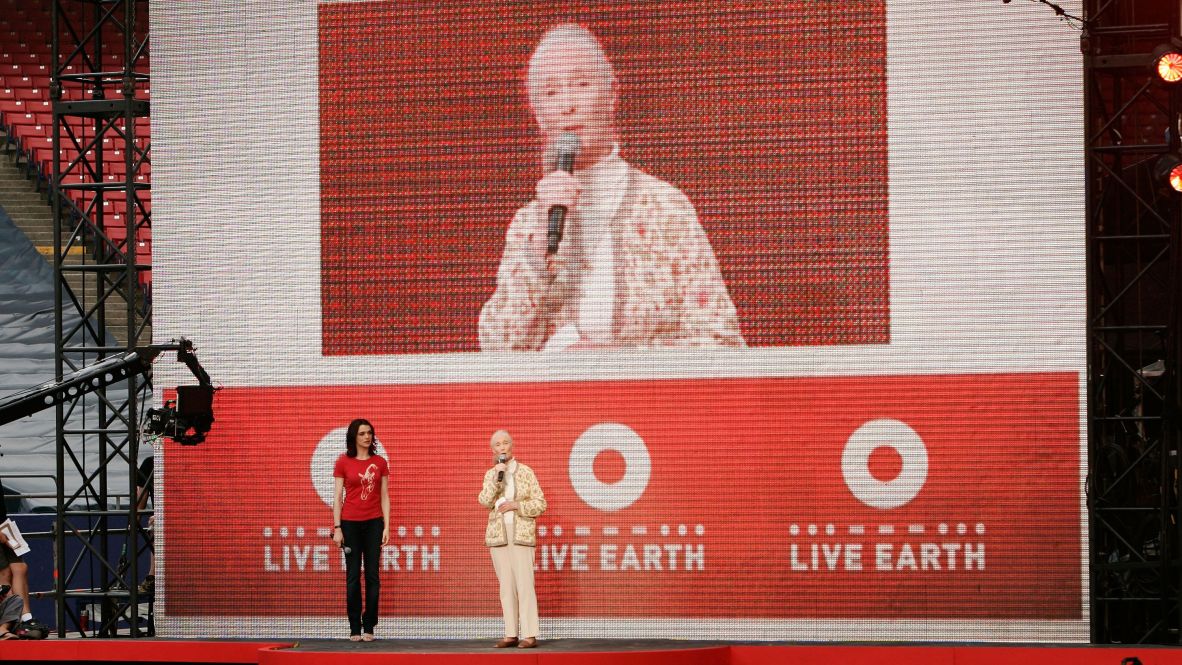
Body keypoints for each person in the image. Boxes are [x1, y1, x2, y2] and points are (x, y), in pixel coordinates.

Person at [478, 23, 746, 352]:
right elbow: (496, 346)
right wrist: (537, 252)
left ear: (612, 93)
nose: (567, 105)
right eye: (550, 92)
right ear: (537, 113)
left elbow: (722, 341)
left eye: (581, 84)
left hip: (649, 402)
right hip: (555, 402)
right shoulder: (529, 225)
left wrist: (615, 362)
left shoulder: (665, 208)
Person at [477, 430, 547, 648]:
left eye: (505, 442)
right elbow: (484, 500)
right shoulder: (491, 474)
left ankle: (529, 634)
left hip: (521, 534)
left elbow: (541, 503)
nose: (502, 447)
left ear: (512, 445)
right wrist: (498, 478)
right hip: (498, 536)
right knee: (506, 585)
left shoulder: (525, 472)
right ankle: (510, 633)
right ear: (493, 450)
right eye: (497, 444)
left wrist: (518, 505)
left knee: (525, 584)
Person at [331, 418, 390, 642]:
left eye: (370, 433)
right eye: (362, 433)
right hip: (350, 524)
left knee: (373, 577)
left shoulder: (380, 462)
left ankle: (369, 626)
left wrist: (387, 526)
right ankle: (354, 626)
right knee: (353, 576)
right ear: (354, 437)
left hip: (374, 522)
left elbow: (384, 496)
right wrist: (337, 527)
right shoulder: (342, 462)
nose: (367, 437)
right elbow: (337, 497)